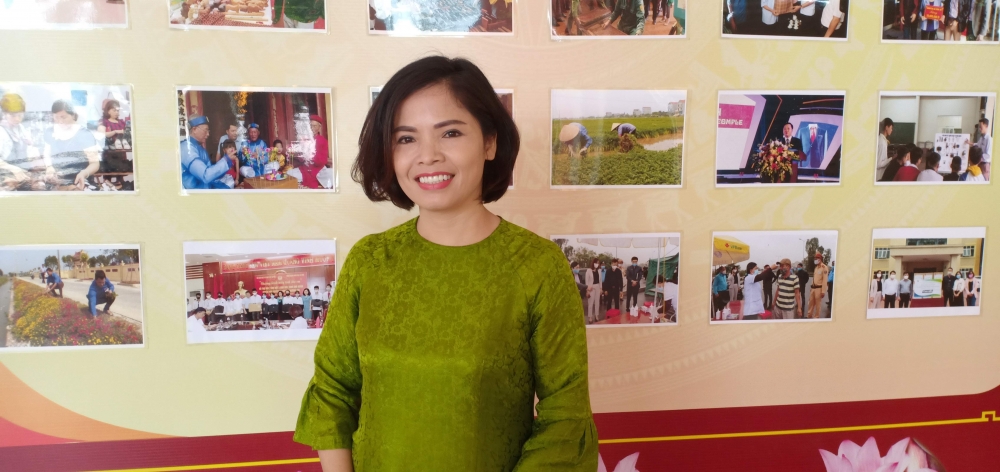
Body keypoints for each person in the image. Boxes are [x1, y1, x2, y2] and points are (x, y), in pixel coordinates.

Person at [295, 56, 597, 470]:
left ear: (489, 142)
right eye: (406, 138)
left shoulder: (537, 266)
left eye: (450, 133)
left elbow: (566, 416)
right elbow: (333, 392)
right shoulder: (370, 260)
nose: (428, 156)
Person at [43, 100, 101, 190]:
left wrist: (84, 173)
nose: (60, 121)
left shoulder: (84, 134)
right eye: (56, 118)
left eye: (63, 117)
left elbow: (94, 163)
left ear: (73, 115)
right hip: (57, 182)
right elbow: (47, 154)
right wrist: (49, 167)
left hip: (79, 181)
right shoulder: (50, 131)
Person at [181, 115, 232, 189]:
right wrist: (226, 160)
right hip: (194, 192)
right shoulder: (186, 148)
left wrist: (228, 161)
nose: (208, 134)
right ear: (194, 129)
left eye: (208, 131)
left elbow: (211, 173)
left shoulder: (201, 149)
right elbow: (206, 176)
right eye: (205, 130)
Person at [807, 254, 829, 319]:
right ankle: (809, 315)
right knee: (811, 303)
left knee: (818, 304)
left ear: (820, 259)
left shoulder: (824, 267)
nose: (815, 259)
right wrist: (811, 287)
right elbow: (814, 278)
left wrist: (823, 291)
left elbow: (825, 280)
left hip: (819, 289)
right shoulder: (816, 268)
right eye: (815, 258)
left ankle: (816, 317)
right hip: (813, 288)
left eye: (817, 258)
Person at [585, 258, 602, 323]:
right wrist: (588, 289)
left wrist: (601, 288)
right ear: (593, 263)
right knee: (590, 303)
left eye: (598, 263)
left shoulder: (599, 270)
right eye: (596, 263)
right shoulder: (589, 270)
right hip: (591, 287)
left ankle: (596, 315)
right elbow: (587, 281)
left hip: (597, 287)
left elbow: (600, 281)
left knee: (597, 302)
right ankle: (590, 317)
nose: (597, 264)